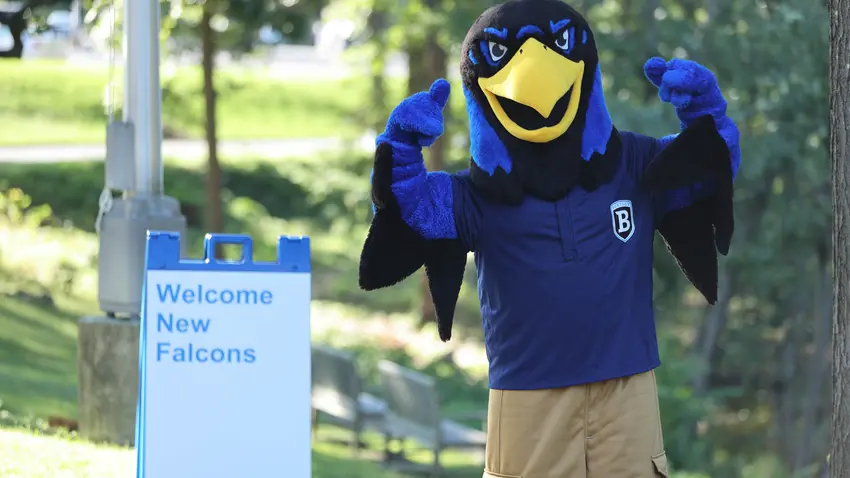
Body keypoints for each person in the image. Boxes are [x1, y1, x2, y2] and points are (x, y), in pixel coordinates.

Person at [358, 0, 741, 476]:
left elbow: (707, 173)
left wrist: (705, 116)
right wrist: (401, 147)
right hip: (528, 396)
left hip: (627, 389)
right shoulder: (477, 196)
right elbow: (409, 208)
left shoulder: (634, 166)